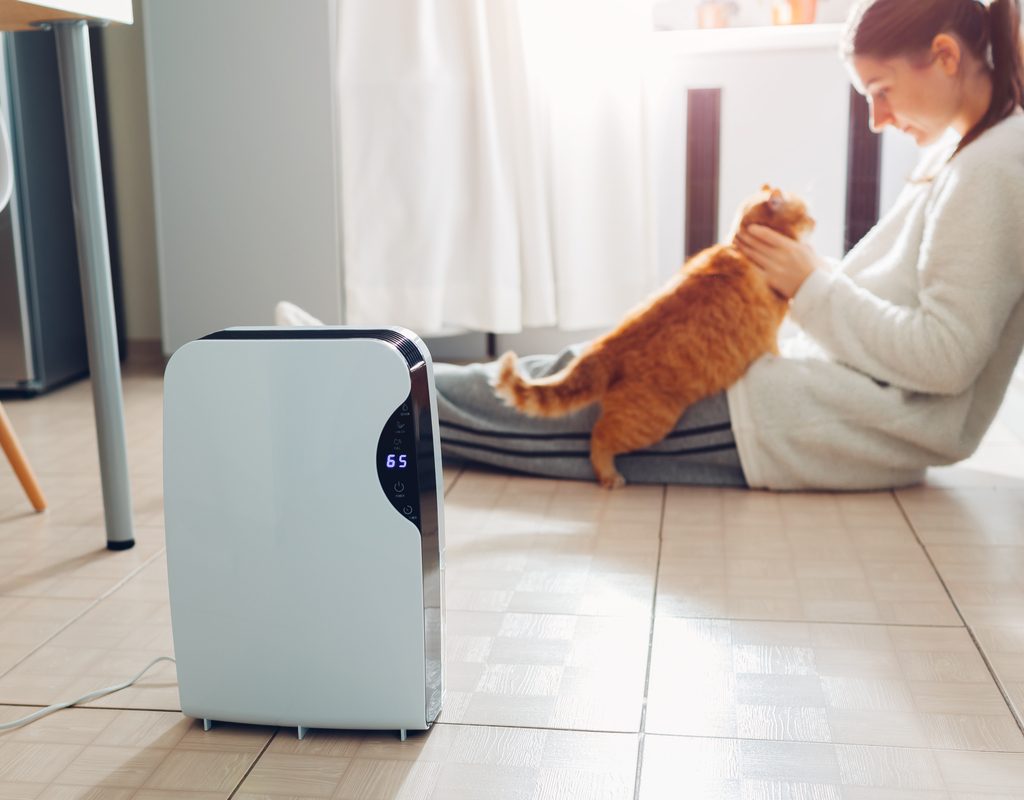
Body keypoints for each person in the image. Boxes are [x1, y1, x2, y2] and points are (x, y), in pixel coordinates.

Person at [434, 0, 1024, 490]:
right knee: (579, 369)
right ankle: (378, 381)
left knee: (557, 407)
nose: (875, 119)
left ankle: (373, 392)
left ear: (945, 56)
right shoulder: (970, 155)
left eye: (881, 90)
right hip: (808, 400)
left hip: (808, 420)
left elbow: (946, 358)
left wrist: (809, 284)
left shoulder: (992, 168)